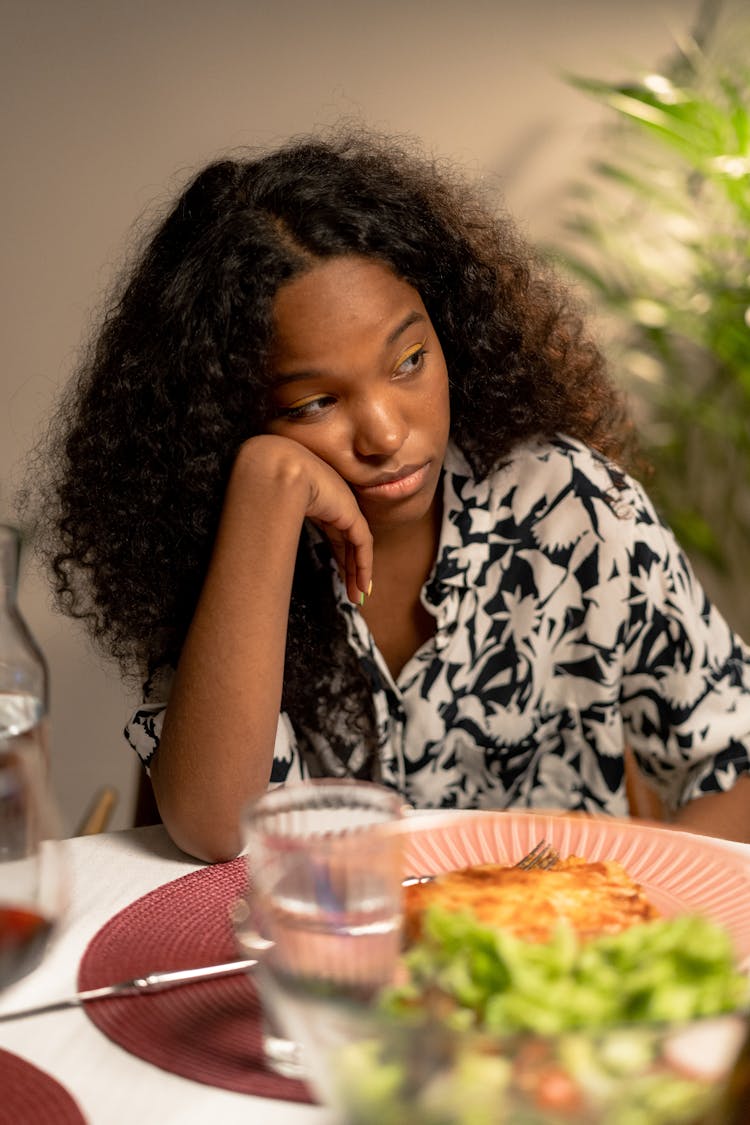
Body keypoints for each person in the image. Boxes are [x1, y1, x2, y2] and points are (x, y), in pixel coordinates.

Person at [25, 125, 750, 862]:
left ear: (453, 335)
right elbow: (215, 829)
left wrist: (618, 906)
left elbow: (738, 762)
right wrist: (264, 488)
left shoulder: (575, 506)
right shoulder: (232, 544)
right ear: (224, 417)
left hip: (544, 956)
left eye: (408, 360)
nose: (383, 432)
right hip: (327, 969)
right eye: (311, 403)